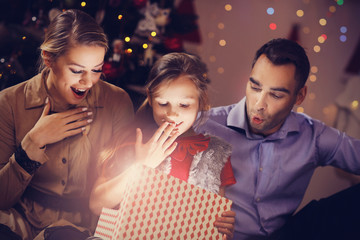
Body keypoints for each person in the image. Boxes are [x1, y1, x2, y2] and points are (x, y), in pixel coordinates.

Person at [195, 38, 360, 240]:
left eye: (275, 95)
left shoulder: (313, 136)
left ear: (299, 97)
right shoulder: (205, 124)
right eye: (255, 88)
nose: (259, 104)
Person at [0, 9, 134, 240]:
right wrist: (33, 142)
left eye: (97, 70)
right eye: (76, 70)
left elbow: (122, 191)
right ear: (48, 58)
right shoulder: (9, 102)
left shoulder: (117, 102)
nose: (88, 81)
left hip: (87, 229)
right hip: (20, 223)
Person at [89, 52, 237, 239]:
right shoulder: (136, 140)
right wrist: (142, 166)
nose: (172, 114)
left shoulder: (216, 154)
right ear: (150, 98)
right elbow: (96, 204)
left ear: (202, 101)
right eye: (163, 103)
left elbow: (215, 223)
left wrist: (224, 229)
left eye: (184, 105)